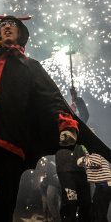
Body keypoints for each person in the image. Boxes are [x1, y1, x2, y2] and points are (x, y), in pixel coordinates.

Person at [0, 15, 111, 222]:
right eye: (3, 25)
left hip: (12, 143)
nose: (7, 27)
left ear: (20, 33)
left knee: (3, 206)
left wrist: (66, 124)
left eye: (12, 25)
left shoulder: (32, 67)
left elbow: (52, 98)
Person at [56, 90, 92, 221]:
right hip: (65, 169)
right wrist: (65, 112)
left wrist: (76, 99)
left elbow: (85, 114)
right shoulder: (56, 124)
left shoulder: (77, 125)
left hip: (80, 169)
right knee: (70, 202)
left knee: (86, 203)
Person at [77, 130, 111, 222]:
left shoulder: (93, 146)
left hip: (104, 186)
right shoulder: (93, 145)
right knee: (98, 214)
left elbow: (96, 162)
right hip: (102, 185)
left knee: (99, 215)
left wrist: (82, 160)